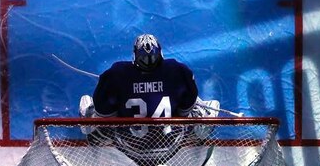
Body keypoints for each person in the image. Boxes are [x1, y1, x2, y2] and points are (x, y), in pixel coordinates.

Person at [80, 33, 218, 120]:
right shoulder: (177, 69)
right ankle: (199, 123)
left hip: (130, 141)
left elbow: (103, 109)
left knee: (102, 116)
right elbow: (187, 104)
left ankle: (92, 124)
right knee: (190, 107)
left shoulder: (117, 72)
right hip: (169, 139)